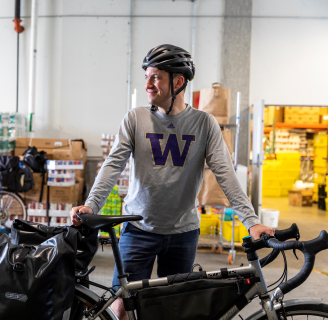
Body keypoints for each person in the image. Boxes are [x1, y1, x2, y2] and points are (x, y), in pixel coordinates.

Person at [70, 44, 274, 320]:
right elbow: (112, 165)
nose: (148, 84)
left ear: (178, 82)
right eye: (146, 77)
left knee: (174, 310)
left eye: (156, 77)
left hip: (183, 234)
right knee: (122, 306)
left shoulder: (204, 124)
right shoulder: (135, 118)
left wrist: (251, 222)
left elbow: (226, 175)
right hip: (138, 229)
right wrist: (91, 204)